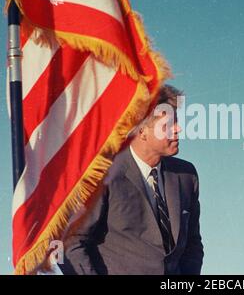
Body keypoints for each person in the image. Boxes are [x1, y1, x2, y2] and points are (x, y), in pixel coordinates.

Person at [64, 85, 203, 274]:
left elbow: (193, 244)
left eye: (177, 122)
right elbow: (71, 242)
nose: (178, 129)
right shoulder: (101, 174)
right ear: (142, 131)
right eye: (168, 125)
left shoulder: (186, 175)